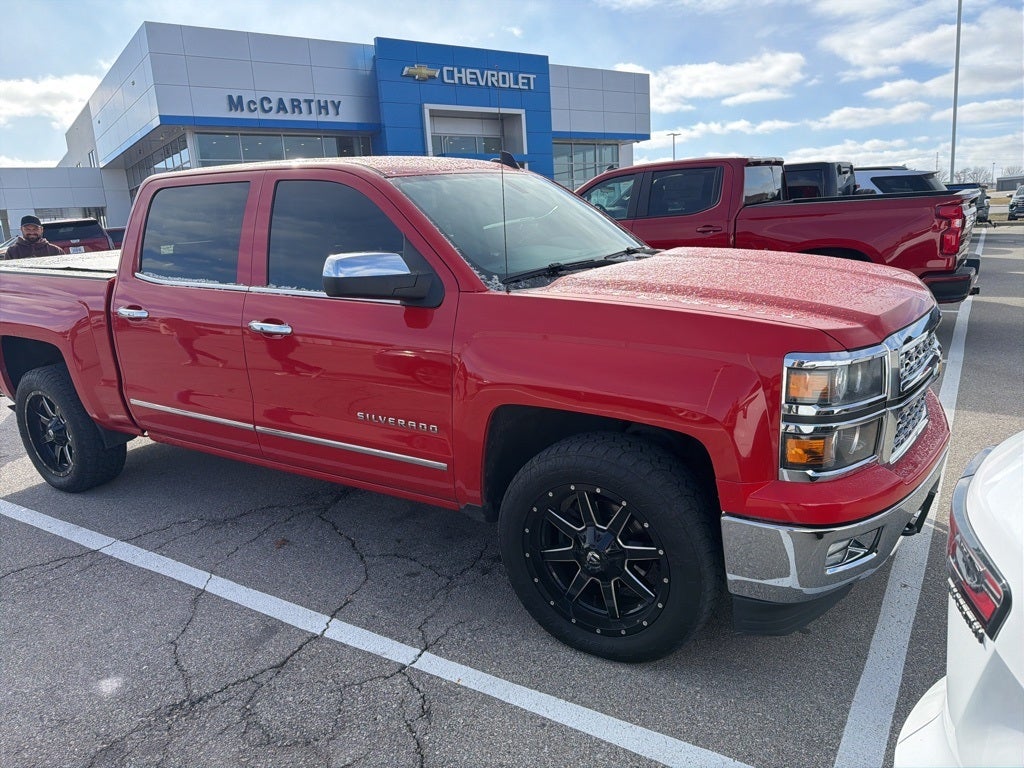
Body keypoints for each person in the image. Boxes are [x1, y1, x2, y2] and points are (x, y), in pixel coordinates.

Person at [2, 215, 66, 260]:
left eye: (35, 229)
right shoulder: (12, 251)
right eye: (27, 229)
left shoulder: (55, 251)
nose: (32, 232)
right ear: (21, 229)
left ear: (41, 230)